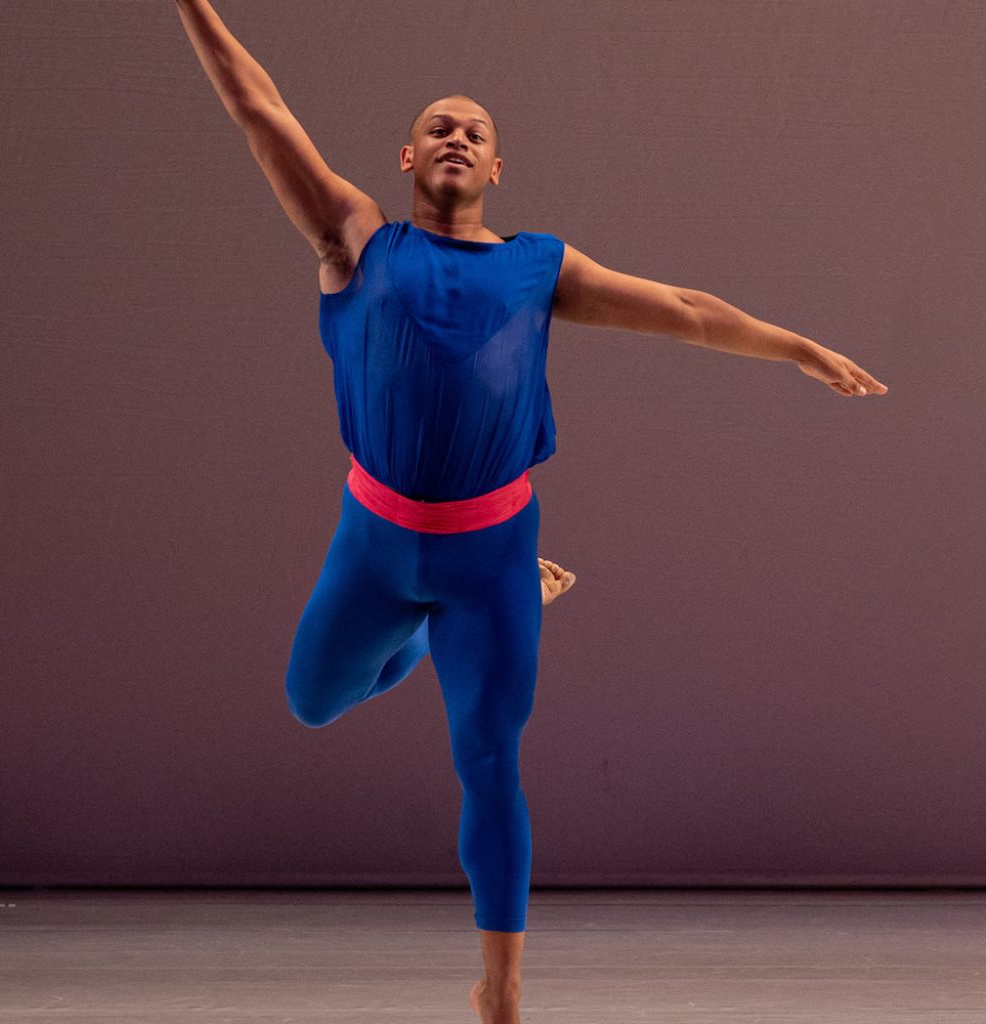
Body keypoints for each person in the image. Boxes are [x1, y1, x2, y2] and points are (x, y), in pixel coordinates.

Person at [175, 5, 887, 1022]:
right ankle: (419, 635)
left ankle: (501, 990)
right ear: (409, 154)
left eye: (475, 128)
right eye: (439, 124)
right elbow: (258, 109)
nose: (456, 134)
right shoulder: (355, 239)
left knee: (489, 760)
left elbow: (684, 309)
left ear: (497, 167)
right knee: (311, 699)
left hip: (494, 554)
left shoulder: (537, 268)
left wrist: (797, 348)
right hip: (374, 549)